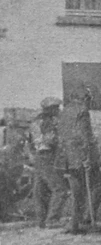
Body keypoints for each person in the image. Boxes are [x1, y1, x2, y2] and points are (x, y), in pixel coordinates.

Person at [55, 90, 101, 234]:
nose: (89, 103)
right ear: (85, 99)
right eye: (89, 100)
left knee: (77, 192)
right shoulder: (83, 111)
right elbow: (84, 136)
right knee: (99, 188)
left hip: (67, 158)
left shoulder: (65, 111)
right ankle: (88, 220)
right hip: (80, 156)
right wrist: (86, 158)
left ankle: (75, 224)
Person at [27, 97, 69, 228]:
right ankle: (52, 219)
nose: (58, 110)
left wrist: (32, 155)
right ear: (50, 109)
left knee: (40, 190)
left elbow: (29, 142)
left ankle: (42, 221)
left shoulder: (34, 121)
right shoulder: (48, 122)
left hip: (38, 157)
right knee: (60, 189)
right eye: (56, 108)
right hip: (48, 155)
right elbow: (51, 140)